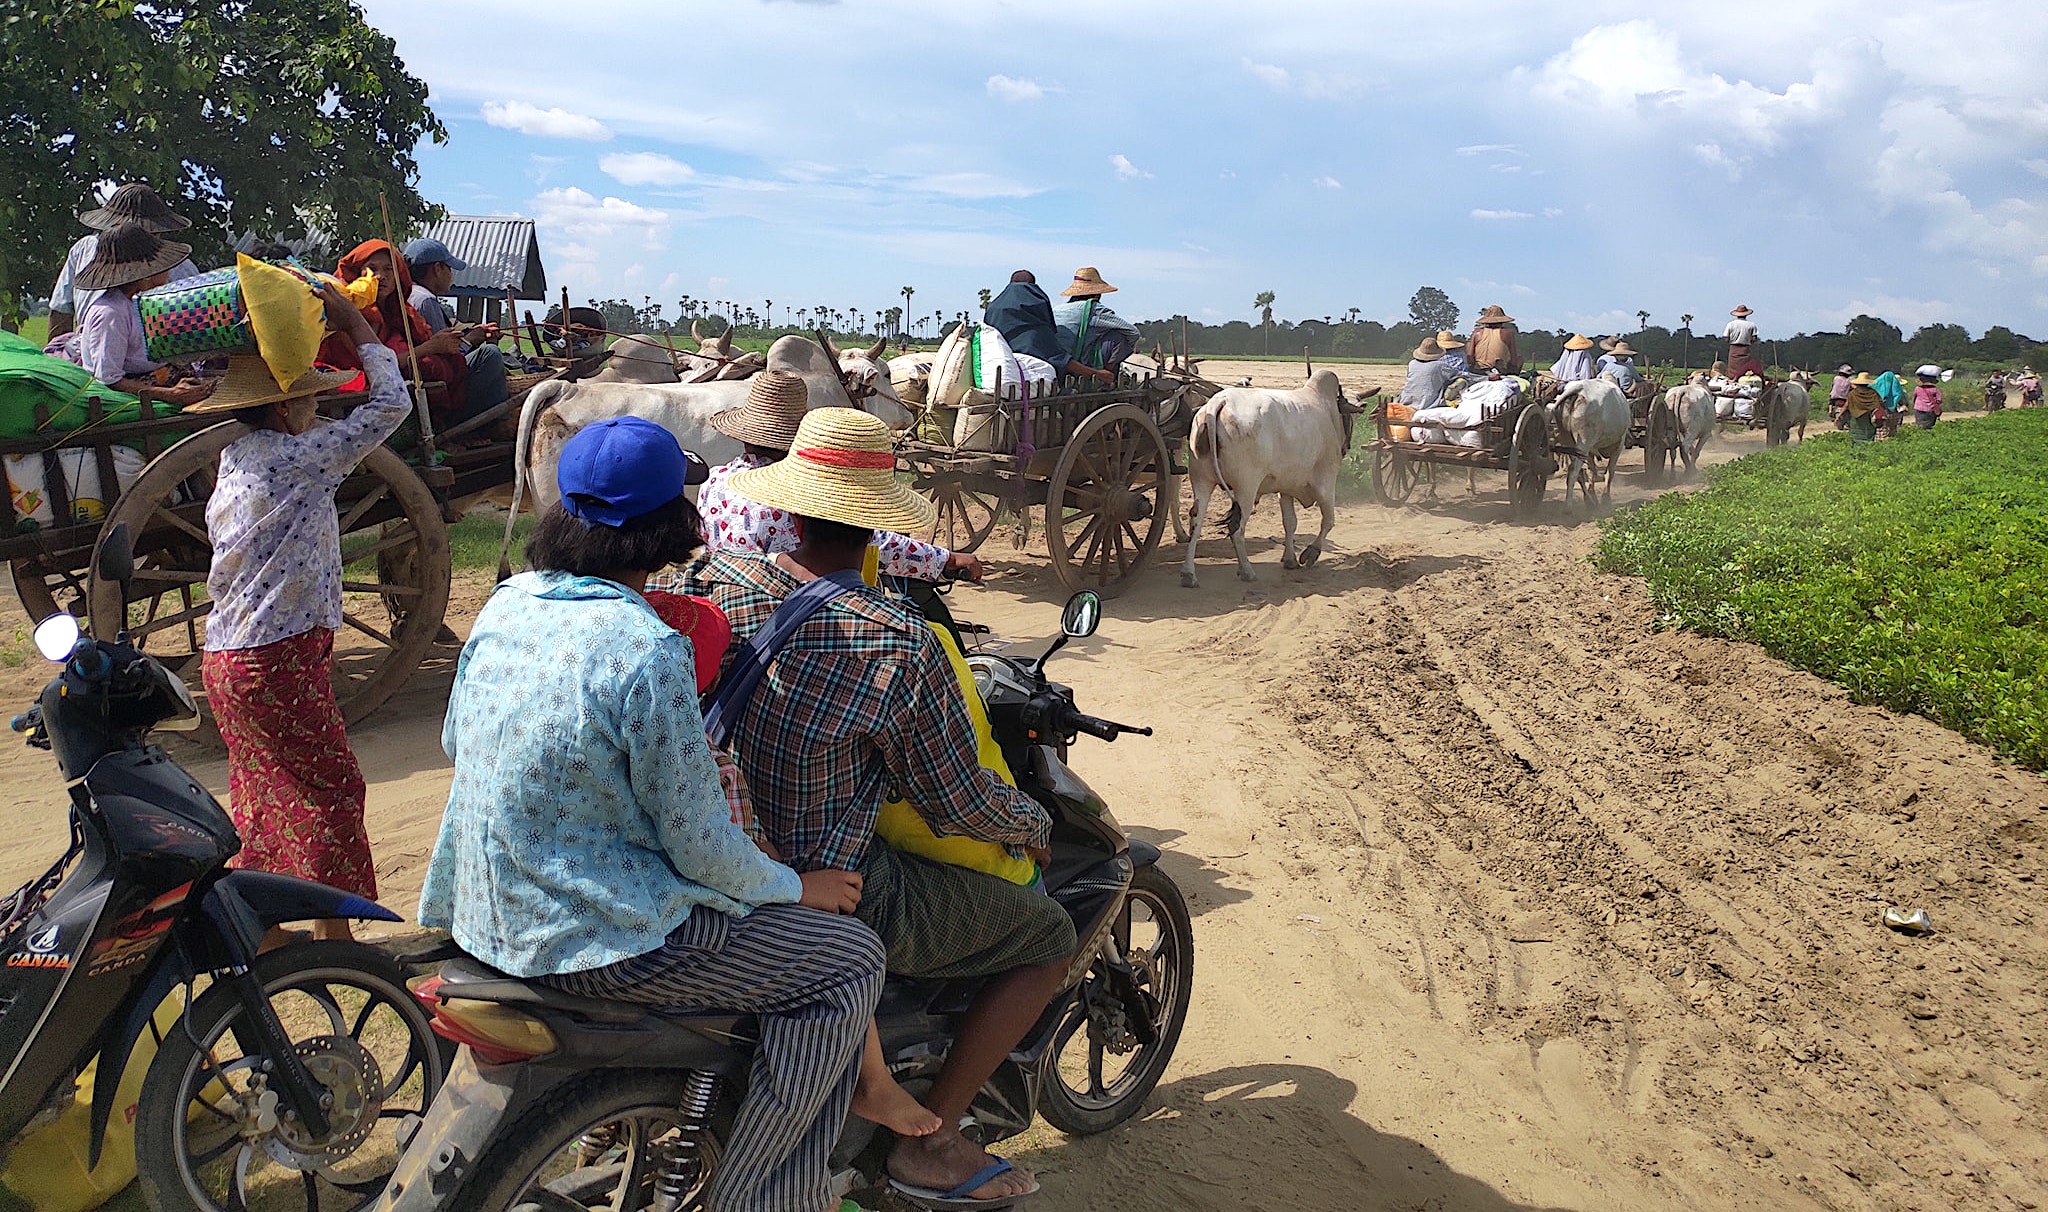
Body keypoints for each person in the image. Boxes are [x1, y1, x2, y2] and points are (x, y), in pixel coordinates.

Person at [421, 415, 883, 1212]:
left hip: (484, 914)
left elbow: (457, 737)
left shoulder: (506, 602)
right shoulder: (648, 649)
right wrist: (796, 887)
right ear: (674, 523)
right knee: (848, 960)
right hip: (596, 936)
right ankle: (766, 1196)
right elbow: (701, 845)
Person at [683, 408, 1070, 1206]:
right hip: (838, 885)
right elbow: (952, 798)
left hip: (710, 854)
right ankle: (933, 1144)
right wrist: (1034, 826)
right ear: (874, 528)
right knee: (1048, 939)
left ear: (787, 510)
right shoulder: (897, 640)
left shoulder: (712, 583)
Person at [192, 282, 408, 944]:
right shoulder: (298, 459)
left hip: (227, 660)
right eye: (310, 395)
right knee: (331, 788)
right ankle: (337, 943)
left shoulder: (235, 459)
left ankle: (267, 930)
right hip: (274, 658)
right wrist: (353, 325)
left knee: (264, 793)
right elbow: (392, 404)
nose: (317, 403)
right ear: (284, 408)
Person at [657, 371, 984, 584]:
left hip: (720, 597)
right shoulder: (790, 494)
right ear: (797, 441)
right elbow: (870, 541)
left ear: (743, 436)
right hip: (780, 613)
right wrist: (945, 558)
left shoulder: (713, 480)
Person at [45, 223, 214, 408]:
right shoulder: (111, 313)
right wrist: (172, 395)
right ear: (145, 275)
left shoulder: (140, 303)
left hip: (162, 373)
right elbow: (108, 380)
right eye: (163, 267)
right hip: (132, 384)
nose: (168, 274)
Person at [318, 239, 470, 422]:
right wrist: (430, 347)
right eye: (372, 268)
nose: (381, 276)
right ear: (358, 272)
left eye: (389, 269)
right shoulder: (347, 312)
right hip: (358, 396)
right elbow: (372, 367)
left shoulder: (400, 311)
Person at [46, 183, 201, 341]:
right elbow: (61, 312)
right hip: (93, 354)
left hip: (157, 360)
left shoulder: (180, 267)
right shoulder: (83, 250)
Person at [402, 237, 510, 420]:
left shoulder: (410, 294)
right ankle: (491, 423)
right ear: (437, 269)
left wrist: (473, 333)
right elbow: (446, 354)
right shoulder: (425, 300)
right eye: (449, 268)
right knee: (491, 354)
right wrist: (471, 340)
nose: (451, 275)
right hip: (437, 380)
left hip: (420, 372)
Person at [983, 270, 1112, 385]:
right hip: (1032, 385)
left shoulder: (991, 325)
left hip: (994, 379)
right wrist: (1097, 374)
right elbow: (1060, 358)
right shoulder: (1035, 331)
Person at [1051, 266, 1139, 376]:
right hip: (1078, 360)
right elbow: (1133, 332)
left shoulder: (1057, 309)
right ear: (1097, 294)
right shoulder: (1095, 309)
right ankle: (1107, 374)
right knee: (1119, 336)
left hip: (1057, 361)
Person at [1399, 337, 1461, 410]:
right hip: (1427, 404)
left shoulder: (1412, 363)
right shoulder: (1439, 365)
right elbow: (1460, 375)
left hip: (1405, 401)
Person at [1467, 305, 1521, 374]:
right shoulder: (1508, 333)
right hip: (1499, 371)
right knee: (1520, 359)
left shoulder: (1477, 333)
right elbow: (1514, 360)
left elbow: (1470, 358)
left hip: (1478, 371)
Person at [1723, 305, 1764, 378]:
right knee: (1745, 366)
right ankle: (1743, 377)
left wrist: (1733, 340)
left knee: (1733, 367)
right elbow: (1754, 338)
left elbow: (1726, 338)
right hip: (1746, 348)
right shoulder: (1751, 325)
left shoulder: (1730, 324)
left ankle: (1732, 378)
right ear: (1746, 314)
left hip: (1734, 348)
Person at [1841, 371, 1881, 444]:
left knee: (1856, 437)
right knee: (1868, 436)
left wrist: (1839, 416)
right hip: (1868, 418)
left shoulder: (1853, 393)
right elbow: (1878, 405)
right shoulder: (1873, 393)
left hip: (1855, 419)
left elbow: (1846, 406)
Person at [1871, 369, 1908, 437]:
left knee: (1880, 431)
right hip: (1894, 413)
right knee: (1892, 431)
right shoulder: (1899, 392)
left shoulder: (1877, 391)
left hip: (1881, 414)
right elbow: (1904, 402)